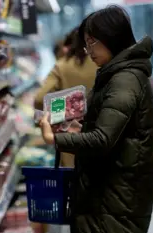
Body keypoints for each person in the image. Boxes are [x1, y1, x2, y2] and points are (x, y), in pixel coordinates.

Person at [38, 5, 153, 233]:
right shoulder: (117, 74)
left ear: (111, 39)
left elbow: (103, 139)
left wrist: (53, 139)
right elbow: (115, 133)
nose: (87, 50)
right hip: (113, 198)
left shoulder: (124, 80)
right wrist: (81, 129)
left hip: (112, 203)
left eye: (92, 42)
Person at [34, 28, 97, 167]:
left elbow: (39, 100)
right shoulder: (102, 64)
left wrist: (62, 113)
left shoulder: (62, 66)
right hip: (102, 139)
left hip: (71, 141)